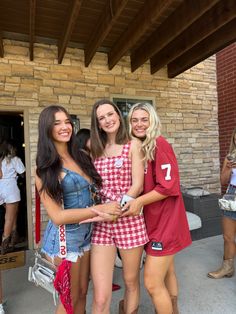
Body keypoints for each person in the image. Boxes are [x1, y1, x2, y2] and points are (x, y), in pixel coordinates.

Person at [35, 105, 121, 314]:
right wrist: (100, 210)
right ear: (47, 129)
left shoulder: (80, 156)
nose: (65, 127)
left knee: (82, 293)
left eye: (67, 122)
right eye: (57, 123)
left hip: (86, 237)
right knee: (69, 300)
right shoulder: (46, 168)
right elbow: (57, 216)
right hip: (64, 242)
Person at [123, 102, 192, 314]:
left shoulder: (160, 144)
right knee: (168, 270)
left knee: (152, 283)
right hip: (153, 221)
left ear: (152, 121)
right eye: (134, 120)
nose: (139, 124)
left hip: (166, 222)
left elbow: (168, 186)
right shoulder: (140, 147)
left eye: (144, 119)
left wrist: (138, 202)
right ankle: (173, 309)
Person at [90, 99, 148, 314]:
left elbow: (137, 185)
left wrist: (118, 208)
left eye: (110, 114)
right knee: (100, 294)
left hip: (129, 219)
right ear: (97, 124)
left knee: (131, 281)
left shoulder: (133, 144)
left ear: (118, 114)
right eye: (101, 118)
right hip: (102, 223)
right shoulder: (94, 148)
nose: (107, 120)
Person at [76, 127, 121, 292]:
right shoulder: (82, 157)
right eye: (92, 139)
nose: (96, 142)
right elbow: (95, 185)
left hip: (94, 210)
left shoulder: (88, 156)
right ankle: (98, 281)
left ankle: (97, 281)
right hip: (91, 212)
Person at [208, 128, 236, 279]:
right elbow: (223, 181)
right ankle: (227, 267)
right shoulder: (230, 157)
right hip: (231, 194)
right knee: (227, 236)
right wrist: (229, 169)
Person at [0, 140, 25, 254]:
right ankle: (4, 245)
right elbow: (23, 173)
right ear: (12, 149)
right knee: (9, 218)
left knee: (12, 213)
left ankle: (14, 239)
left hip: (1, 188)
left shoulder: (0, 160)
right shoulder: (15, 160)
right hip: (11, 188)